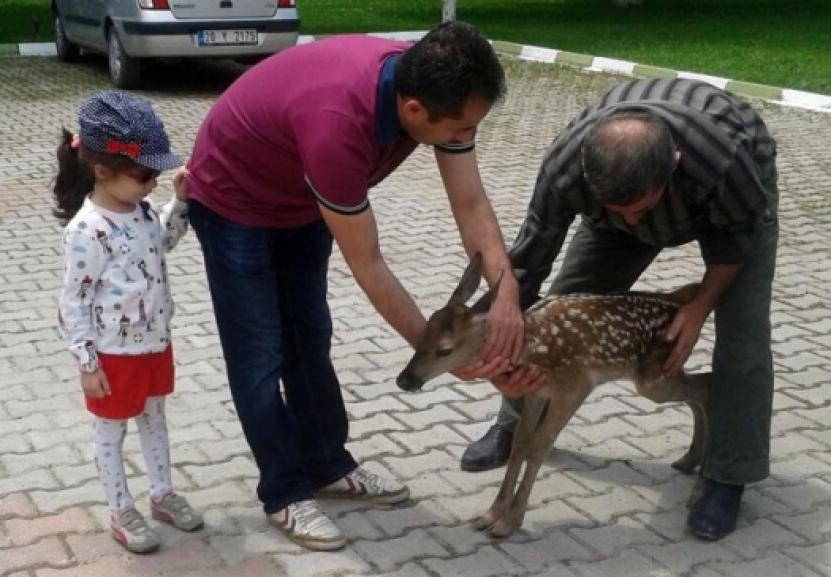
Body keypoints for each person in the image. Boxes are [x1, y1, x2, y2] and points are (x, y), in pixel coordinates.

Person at [185, 21, 532, 551]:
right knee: (259, 353)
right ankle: (283, 492)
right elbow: (369, 265)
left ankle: (326, 464)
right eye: (460, 130)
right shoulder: (337, 127)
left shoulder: (436, 93)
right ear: (414, 111)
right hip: (234, 199)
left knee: (310, 334)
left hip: (301, 194)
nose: (466, 138)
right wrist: (445, 354)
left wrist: (506, 290)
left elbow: (472, 205)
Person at [461, 78, 778, 542]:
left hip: (731, 216)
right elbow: (528, 265)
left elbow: (735, 249)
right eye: (619, 208)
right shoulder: (568, 167)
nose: (635, 220)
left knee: (743, 338)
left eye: (639, 208)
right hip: (616, 209)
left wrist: (698, 308)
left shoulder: (721, 159)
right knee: (559, 314)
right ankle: (513, 426)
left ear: (672, 166)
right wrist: (495, 339)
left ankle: (728, 473)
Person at [55, 91, 202, 554]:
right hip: (113, 354)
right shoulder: (86, 231)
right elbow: (73, 301)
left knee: (155, 420)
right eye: (144, 175)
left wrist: (178, 204)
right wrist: (85, 361)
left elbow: (164, 242)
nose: (151, 184)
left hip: (155, 342)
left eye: (156, 175)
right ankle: (120, 508)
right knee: (111, 432)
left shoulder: (139, 210)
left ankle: (161, 494)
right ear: (102, 172)